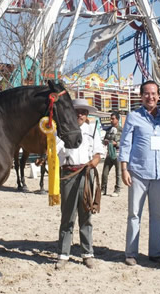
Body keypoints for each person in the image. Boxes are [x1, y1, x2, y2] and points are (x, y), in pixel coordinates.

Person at [119, 80, 160, 266]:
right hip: (137, 173)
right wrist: (124, 169)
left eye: (154, 93)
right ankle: (131, 253)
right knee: (134, 214)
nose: (151, 97)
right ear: (141, 96)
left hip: (159, 175)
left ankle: (155, 252)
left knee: (158, 215)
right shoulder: (133, 117)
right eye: (147, 93)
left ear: (159, 96)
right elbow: (125, 144)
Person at [55, 98, 104, 270]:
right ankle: (63, 253)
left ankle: (87, 253)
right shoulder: (61, 131)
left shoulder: (92, 130)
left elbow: (98, 152)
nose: (80, 115)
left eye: (84, 112)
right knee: (67, 215)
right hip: (69, 173)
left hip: (87, 174)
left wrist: (95, 161)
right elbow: (55, 152)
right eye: (77, 111)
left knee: (86, 214)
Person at [101, 111, 122, 197]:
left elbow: (125, 142)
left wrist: (116, 144)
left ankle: (117, 190)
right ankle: (103, 189)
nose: (111, 120)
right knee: (105, 173)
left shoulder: (122, 130)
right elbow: (105, 139)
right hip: (109, 153)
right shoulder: (109, 130)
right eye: (111, 118)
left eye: (113, 119)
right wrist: (105, 142)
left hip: (118, 154)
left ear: (117, 119)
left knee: (118, 173)